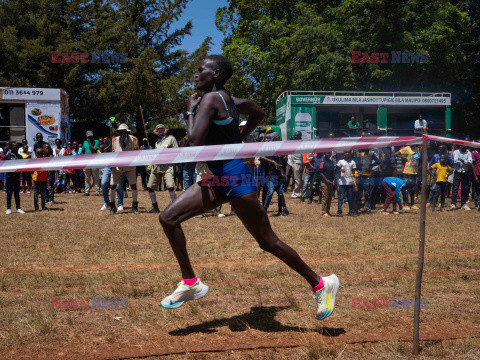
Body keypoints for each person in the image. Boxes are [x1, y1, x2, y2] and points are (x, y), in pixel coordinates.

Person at [159, 55, 339, 320]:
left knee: (267, 241)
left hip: (233, 177)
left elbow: (194, 145)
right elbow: (258, 113)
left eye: (200, 71)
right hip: (222, 175)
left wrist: (189, 111)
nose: (195, 75)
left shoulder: (209, 100)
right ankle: (190, 283)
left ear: (216, 73)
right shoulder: (232, 101)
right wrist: (238, 141)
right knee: (168, 218)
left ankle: (322, 283)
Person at [109, 124, 140, 214]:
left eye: (124, 131)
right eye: (120, 131)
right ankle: (112, 206)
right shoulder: (114, 140)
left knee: (133, 185)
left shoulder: (133, 139)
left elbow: (136, 151)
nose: (122, 133)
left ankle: (135, 206)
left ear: (127, 132)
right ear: (118, 132)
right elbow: (111, 153)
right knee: (112, 185)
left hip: (130, 166)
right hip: (117, 166)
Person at [147, 124, 178, 213]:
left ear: (165, 130)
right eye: (158, 130)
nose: (160, 132)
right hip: (156, 167)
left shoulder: (171, 138)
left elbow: (177, 152)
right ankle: (155, 207)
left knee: (170, 187)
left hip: (168, 166)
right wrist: (150, 166)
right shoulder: (157, 142)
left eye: (162, 130)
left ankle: (175, 208)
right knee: (150, 187)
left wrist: (176, 165)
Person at [261, 132, 289, 216]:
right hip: (271, 173)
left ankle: (280, 209)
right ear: (274, 138)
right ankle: (265, 208)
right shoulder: (269, 148)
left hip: (279, 174)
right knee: (270, 192)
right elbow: (262, 157)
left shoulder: (279, 148)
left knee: (280, 192)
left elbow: (280, 163)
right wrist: (272, 161)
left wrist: (282, 173)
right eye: (277, 136)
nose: (279, 137)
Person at [394, 146, 420, 210]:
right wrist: (403, 157)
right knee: (405, 188)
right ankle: (405, 204)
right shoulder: (407, 148)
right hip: (407, 171)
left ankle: (412, 204)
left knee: (412, 189)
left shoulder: (417, 149)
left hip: (414, 172)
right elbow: (396, 154)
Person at [3, 143, 25, 214]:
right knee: (9, 192)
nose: (17, 148)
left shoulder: (19, 156)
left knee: (16, 192)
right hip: (9, 176)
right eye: (15, 147)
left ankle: (18, 208)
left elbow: (22, 165)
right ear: (11, 148)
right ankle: (8, 208)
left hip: (17, 176)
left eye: (17, 147)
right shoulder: (7, 156)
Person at [450, 145, 472, 210]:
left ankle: (463, 204)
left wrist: (463, 161)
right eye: (460, 145)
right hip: (457, 172)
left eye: (463, 145)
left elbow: (470, 162)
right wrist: (465, 162)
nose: (461, 146)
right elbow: (456, 161)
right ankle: (453, 204)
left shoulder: (469, 153)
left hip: (465, 172)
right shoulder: (456, 152)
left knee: (464, 188)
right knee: (455, 188)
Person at [336, 150, 357, 217]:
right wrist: (340, 170)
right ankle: (339, 211)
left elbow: (354, 171)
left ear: (350, 154)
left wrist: (356, 176)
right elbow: (336, 170)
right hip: (342, 182)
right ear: (343, 154)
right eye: (346, 152)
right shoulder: (340, 161)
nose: (347, 154)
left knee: (350, 197)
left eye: (348, 152)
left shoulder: (353, 162)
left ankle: (351, 211)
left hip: (350, 182)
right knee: (341, 197)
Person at [82, 130, 100, 196]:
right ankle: (87, 191)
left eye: (91, 136)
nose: (90, 137)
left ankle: (97, 191)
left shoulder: (96, 141)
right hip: (86, 162)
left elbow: (94, 149)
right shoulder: (84, 142)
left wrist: (89, 143)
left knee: (96, 177)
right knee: (87, 177)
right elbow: (83, 151)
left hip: (94, 161)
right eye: (89, 136)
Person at [319, 152, 335, 217]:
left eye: (330, 153)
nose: (329, 154)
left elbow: (333, 172)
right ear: (325, 154)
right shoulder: (323, 162)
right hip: (325, 182)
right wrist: (326, 180)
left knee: (329, 197)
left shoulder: (331, 162)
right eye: (327, 153)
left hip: (331, 182)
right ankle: (323, 211)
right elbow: (321, 172)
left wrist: (333, 180)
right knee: (324, 197)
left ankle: (328, 211)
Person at [289, 131, 304, 198]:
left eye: (297, 136)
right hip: (294, 163)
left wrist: (302, 166)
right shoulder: (293, 143)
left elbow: (303, 155)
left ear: (300, 136)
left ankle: (296, 193)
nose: (295, 136)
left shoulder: (302, 144)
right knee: (296, 179)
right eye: (295, 135)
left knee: (298, 179)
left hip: (299, 163)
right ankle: (300, 192)